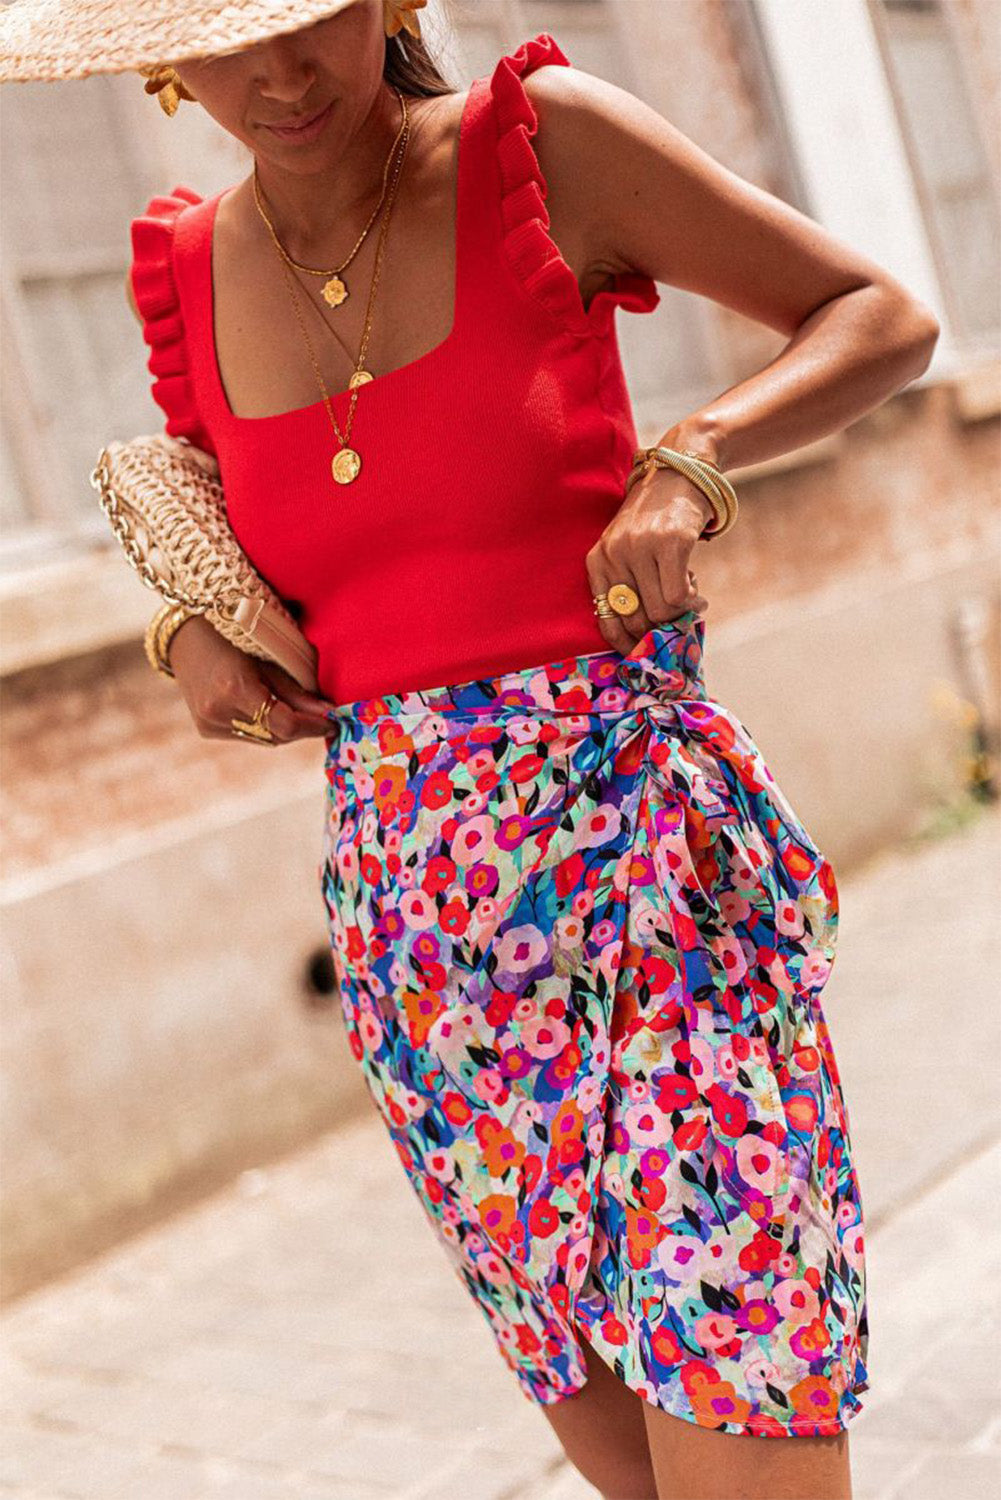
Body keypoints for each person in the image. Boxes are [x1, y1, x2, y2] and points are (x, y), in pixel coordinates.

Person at [1, 2, 940, 1497]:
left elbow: (879, 316)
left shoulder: (541, 148)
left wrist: (691, 462)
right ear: (161, 60)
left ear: (388, 3)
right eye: (231, 40)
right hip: (427, 950)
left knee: (750, 1417)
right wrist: (182, 639)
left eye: (311, 18)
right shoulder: (182, 271)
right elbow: (243, 554)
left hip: (653, 898)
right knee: (635, 1471)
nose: (281, 74)